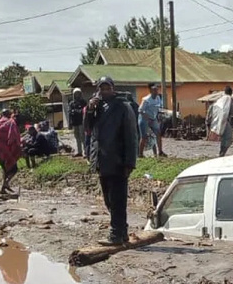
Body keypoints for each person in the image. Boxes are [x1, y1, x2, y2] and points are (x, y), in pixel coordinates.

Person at [86, 76, 138, 245]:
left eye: (107, 88)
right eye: (101, 88)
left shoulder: (123, 107)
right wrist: (90, 109)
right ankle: (121, 231)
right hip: (101, 160)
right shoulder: (98, 107)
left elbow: (131, 136)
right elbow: (88, 129)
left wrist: (130, 162)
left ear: (113, 89)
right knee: (108, 199)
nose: (104, 91)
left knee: (117, 199)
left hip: (118, 161)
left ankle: (116, 234)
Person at [138, 83, 166, 158]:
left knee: (158, 134)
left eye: (157, 90)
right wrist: (148, 119)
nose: (156, 91)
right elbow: (140, 110)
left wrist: (159, 116)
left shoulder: (158, 98)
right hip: (144, 119)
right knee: (144, 136)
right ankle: (140, 154)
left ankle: (160, 152)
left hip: (153, 119)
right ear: (150, 91)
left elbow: (158, 108)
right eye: (154, 90)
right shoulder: (146, 100)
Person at [208, 86, 233, 157]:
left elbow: (211, 109)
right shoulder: (229, 99)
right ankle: (222, 152)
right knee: (228, 137)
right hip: (225, 121)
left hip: (217, 120)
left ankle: (222, 152)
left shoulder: (219, 99)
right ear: (231, 93)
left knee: (224, 137)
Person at [69, 88, 87, 158]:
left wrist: (75, 111)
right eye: (75, 93)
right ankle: (79, 151)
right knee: (77, 137)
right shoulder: (71, 103)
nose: (77, 95)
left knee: (82, 137)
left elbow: (83, 111)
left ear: (80, 94)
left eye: (78, 93)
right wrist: (70, 123)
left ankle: (85, 152)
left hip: (81, 122)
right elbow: (70, 112)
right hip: (74, 122)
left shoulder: (83, 102)